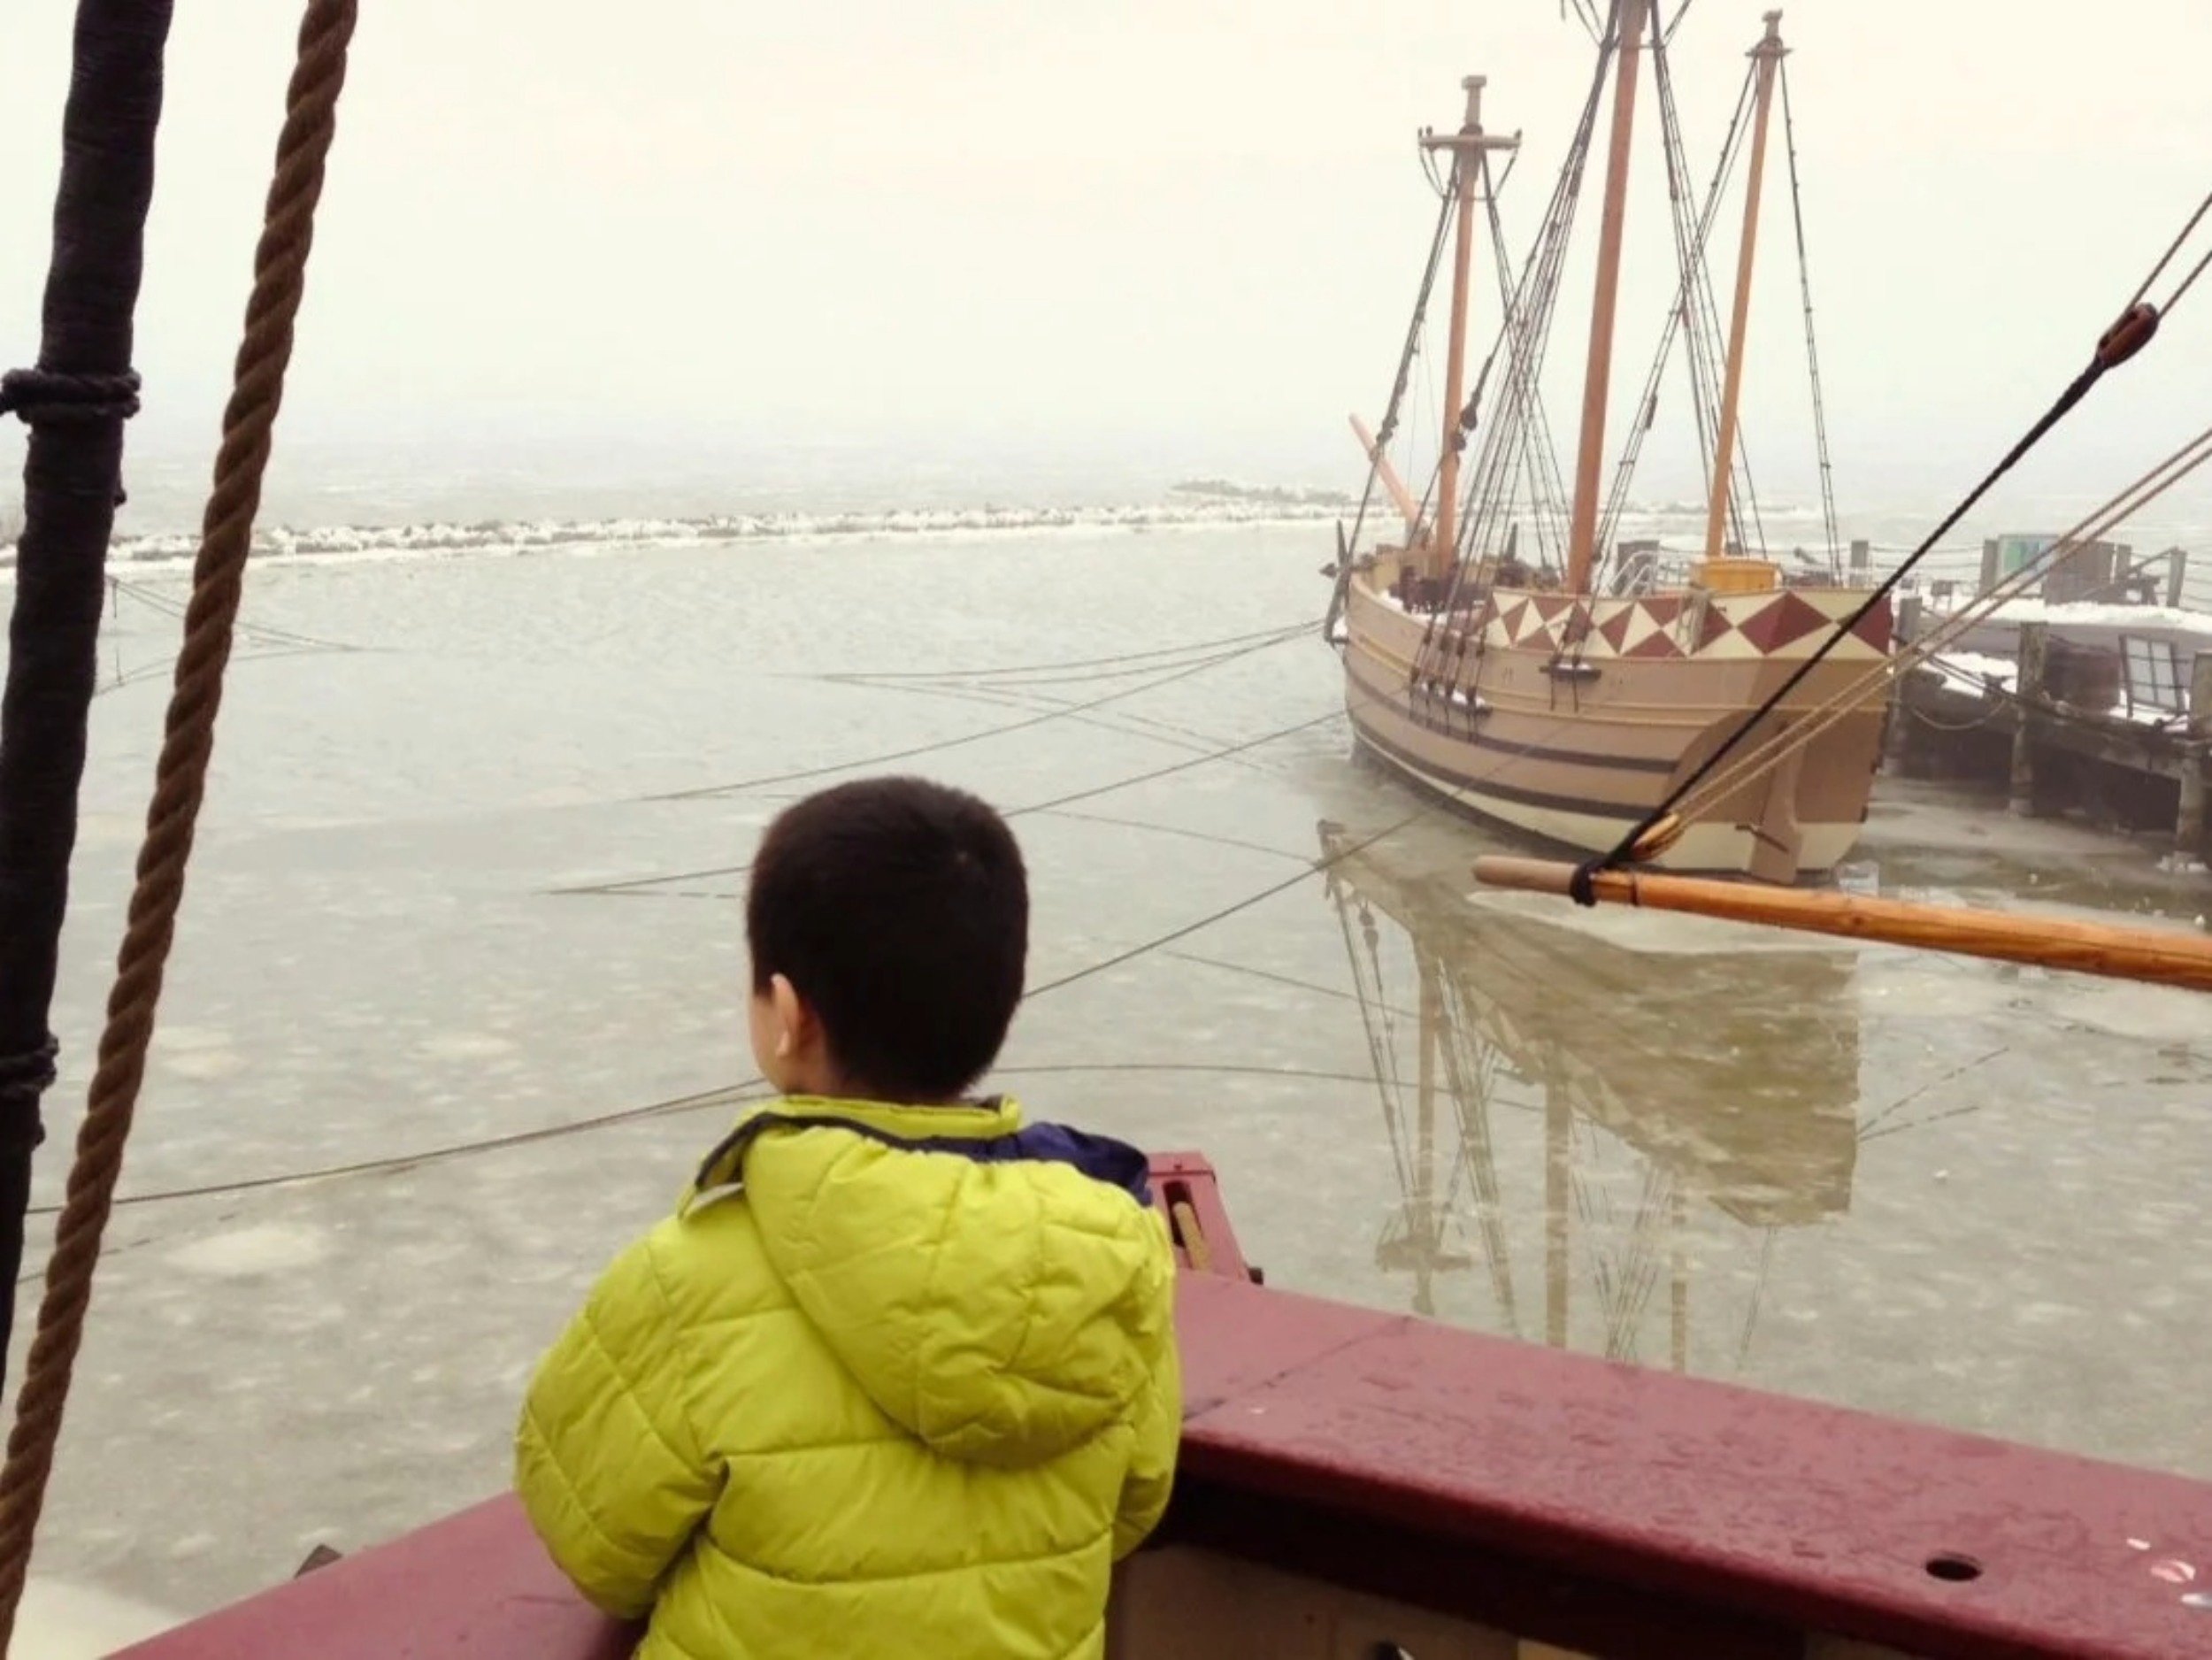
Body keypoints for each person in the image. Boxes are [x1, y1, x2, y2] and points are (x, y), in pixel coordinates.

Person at [514, 775, 1181, 1660]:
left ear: (788, 1017)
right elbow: (1136, 1500)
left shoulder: (692, 1281)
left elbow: (595, 1540)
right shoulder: (1110, 1259)